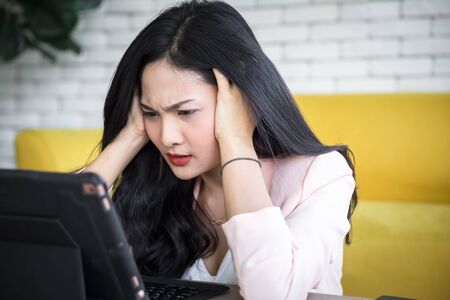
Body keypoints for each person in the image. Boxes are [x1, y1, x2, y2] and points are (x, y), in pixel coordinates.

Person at [79, 1, 358, 299]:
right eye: (151, 113)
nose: (167, 137)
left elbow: (273, 294)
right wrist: (129, 138)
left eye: (185, 112)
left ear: (239, 100)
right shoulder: (160, 177)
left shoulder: (320, 173)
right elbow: (51, 257)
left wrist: (236, 141)